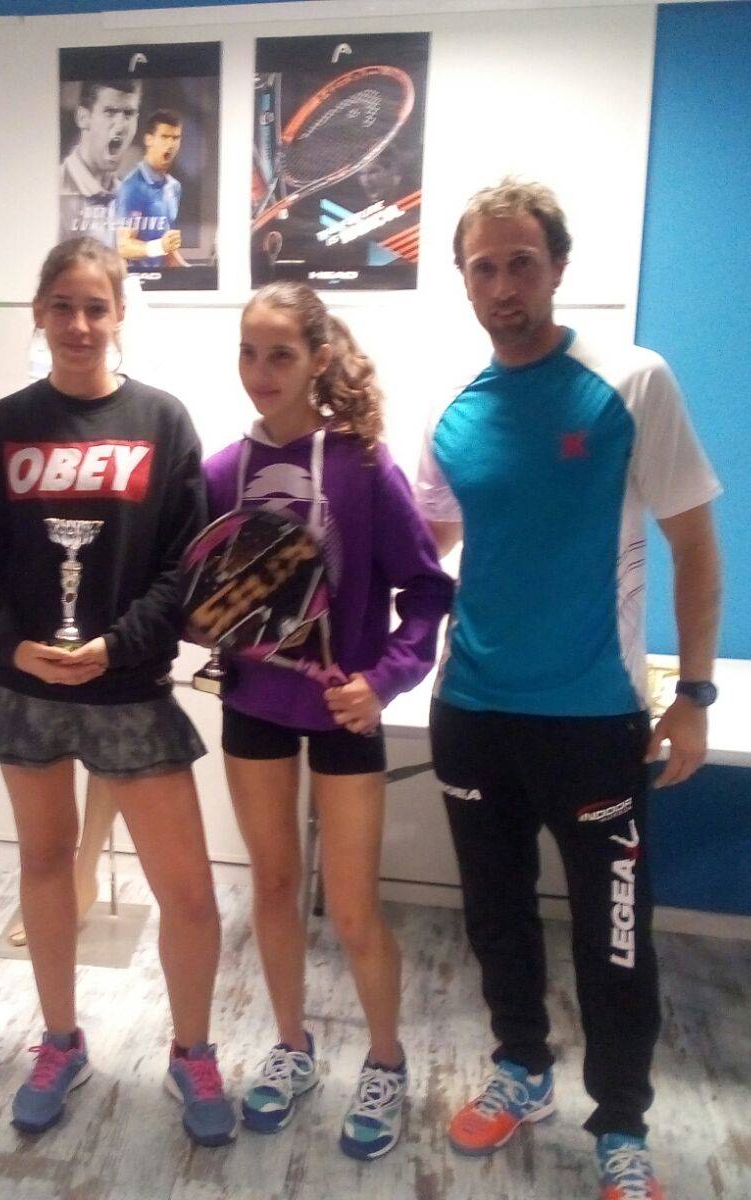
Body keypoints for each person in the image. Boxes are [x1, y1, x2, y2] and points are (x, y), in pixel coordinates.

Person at [418, 178, 723, 1200]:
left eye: (522, 263)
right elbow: (424, 546)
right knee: (495, 916)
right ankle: (521, 1069)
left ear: (557, 268)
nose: (504, 285)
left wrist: (693, 695)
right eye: (484, 268)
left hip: (594, 721)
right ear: (463, 279)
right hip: (471, 713)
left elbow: (694, 546)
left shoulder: (631, 381)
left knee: (614, 939)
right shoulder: (453, 410)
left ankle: (621, 1123)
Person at [0, 237, 235, 1147]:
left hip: (128, 686)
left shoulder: (163, 421)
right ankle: (60, 1042)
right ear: (38, 312)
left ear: (119, 315)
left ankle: (192, 1053)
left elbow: (183, 570)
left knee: (189, 892)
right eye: (62, 306)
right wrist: (13, 646)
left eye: (95, 307)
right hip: (24, 686)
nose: (78, 324)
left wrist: (117, 647)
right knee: (44, 864)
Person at [203, 282, 450, 1160]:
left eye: (281, 354)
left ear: (318, 359)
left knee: (350, 907)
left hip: (346, 714)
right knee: (272, 888)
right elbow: (201, 592)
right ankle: (292, 1046)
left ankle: (385, 1061)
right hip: (254, 708)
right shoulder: (218, 474)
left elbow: (428, 591)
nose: (261, 370)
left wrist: (383, 681)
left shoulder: (363, 466)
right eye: (249, 352)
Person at [59, 80, 142, 248]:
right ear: (83, 118)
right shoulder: (53, 189)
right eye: (110, 112)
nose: (121, 126)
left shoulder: (130, 198)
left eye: (128, 113)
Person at [114, 109, 186, 271]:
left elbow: (168, 251)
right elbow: (123, 246)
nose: (170, 144)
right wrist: (159, 247)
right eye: (164, 137)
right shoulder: (132, 187)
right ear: (149, 139)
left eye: (175, 138)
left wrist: (198, 277)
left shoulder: (174, 187)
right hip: (136, 282)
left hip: (162, 281)